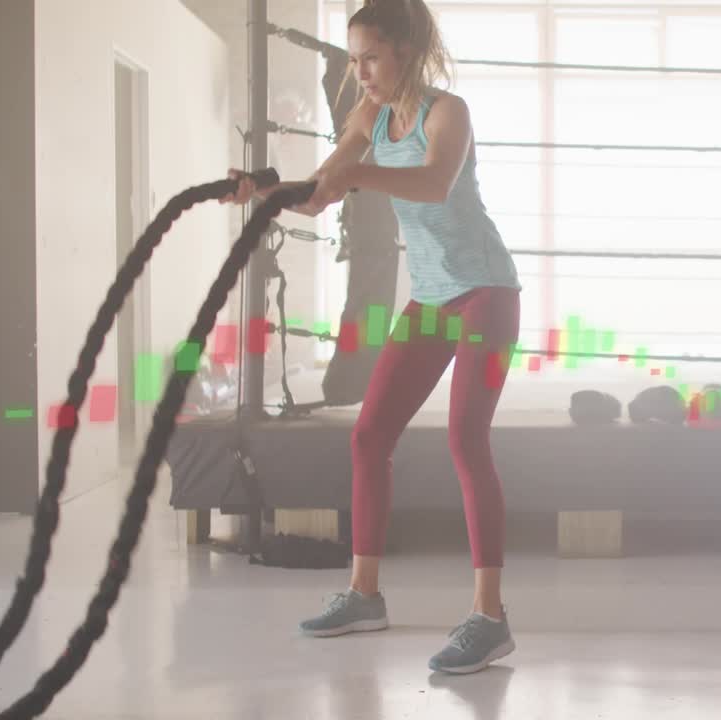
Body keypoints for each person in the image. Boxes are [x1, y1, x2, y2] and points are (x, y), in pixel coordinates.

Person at [222, 0, 522, 675]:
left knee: (466, 438)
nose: (359, 72)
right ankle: (363, 595)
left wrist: (354, 174)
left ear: (406, 52)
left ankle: (489, 618)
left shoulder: (448, 113)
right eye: (354, 58)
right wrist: (261, 190)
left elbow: (435, 182)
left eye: (371, 58)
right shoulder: (369, 117)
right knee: (369, 435)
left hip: (486, 293)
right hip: (432, 298)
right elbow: (318, 193)